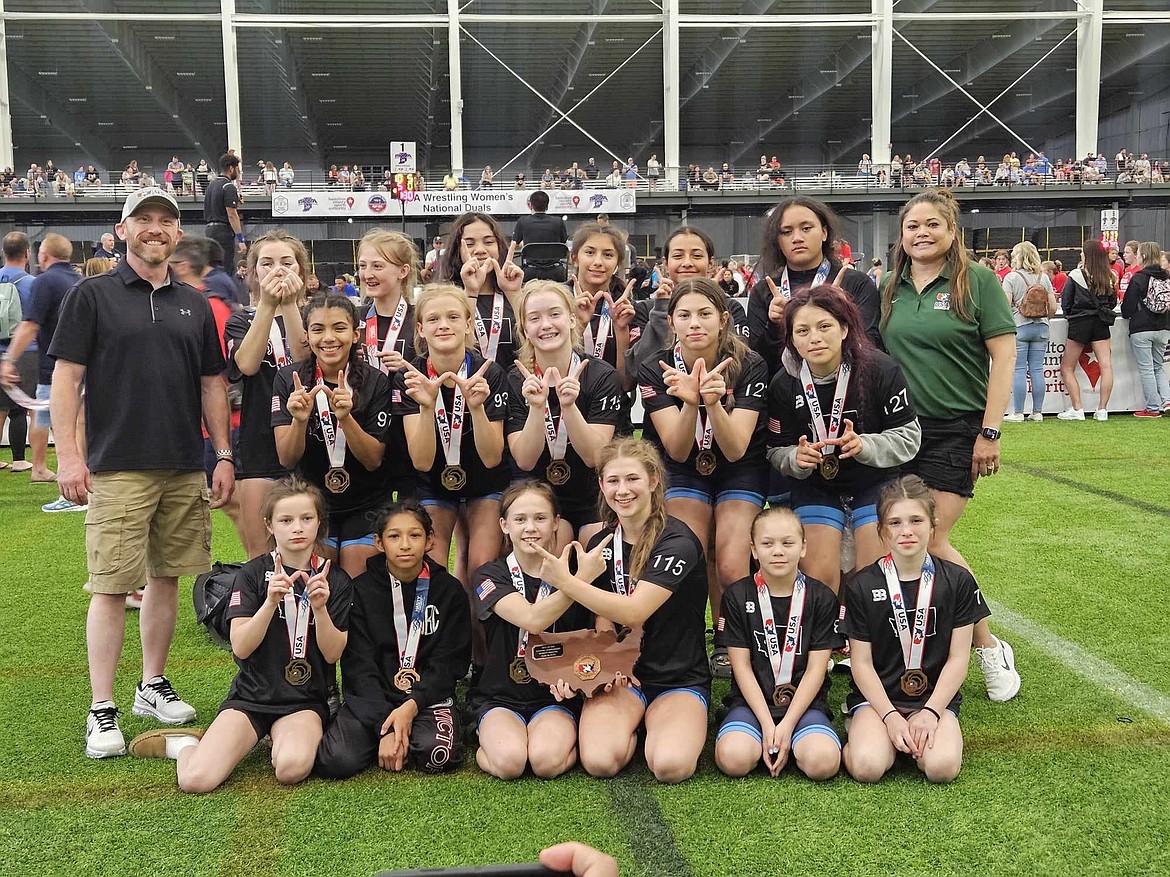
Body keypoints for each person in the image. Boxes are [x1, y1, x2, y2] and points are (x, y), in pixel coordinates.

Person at [49, 187, 234, 758]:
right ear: (122, 229)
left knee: (167, 578)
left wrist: (223, 453)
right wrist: (70, 456)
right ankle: (101, 708)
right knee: (109, 587)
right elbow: (65, 379)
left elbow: (211, 384)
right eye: (144, 219)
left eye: (165, 221)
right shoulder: (91, 295)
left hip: (182, 464)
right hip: (118, 465)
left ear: (177, 234)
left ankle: (151, 686)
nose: (155, 228)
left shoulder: (195, 303)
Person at [879, 188, 1019, 702]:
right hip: (897, 431)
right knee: (895, 543)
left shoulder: (977, 282)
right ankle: (911, 651)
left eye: (932, 224)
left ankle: (987, 647)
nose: (921, 233)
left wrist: (990, 431)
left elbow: (1003, 360)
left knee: (929, 538)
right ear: (902, 234)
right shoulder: (888, 286)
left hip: (958, 428)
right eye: (912, 225)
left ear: (952, 231)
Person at [128, 478, 351, 792]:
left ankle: (278, 738)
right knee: (195, 781)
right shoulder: (251, 575)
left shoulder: (334, 579)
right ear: (269, 526)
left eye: (306, 519)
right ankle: (184, 747)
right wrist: (270, 603)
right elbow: (242, 647)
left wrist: (319, 609)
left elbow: (332, 654)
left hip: (304, 701)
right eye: (286, 520)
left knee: (291, 768)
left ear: (319, 523)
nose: (297, 528)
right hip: (252, 698)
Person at [527, 438, 709, 783]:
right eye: (613, 481)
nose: (622, 490)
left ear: (654, 481)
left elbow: (635, 611)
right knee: (598, 761)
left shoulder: (678, 541)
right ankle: (636, 725)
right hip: (623, 677)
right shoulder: (600, 544)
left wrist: (567, 581)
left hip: (678, 677)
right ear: (601, 486)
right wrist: (608, 666)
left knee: (670, 766)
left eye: (632, 479)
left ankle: (662, 726)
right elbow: (603, 618)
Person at [637, 278, 769, 677]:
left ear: (724, 319)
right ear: (671, 323)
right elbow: (676, 449)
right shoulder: (653, 367)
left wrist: (712, 403)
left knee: (730, 563)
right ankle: (687, 640)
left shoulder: (751, 365)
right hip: (680, 467)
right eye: (684, 315)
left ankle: (733, 643)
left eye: (705, 313)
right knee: (688, 556)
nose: (695, 323)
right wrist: (690, 403)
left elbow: (734, 448)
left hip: (738, 467)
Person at [767, 285, 920, 594]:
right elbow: (774, 449)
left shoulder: (880, 369)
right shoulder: (784, 383)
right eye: (802, 331)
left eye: (824, 326)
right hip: (816, 487)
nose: (815, 338)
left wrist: (866, 446)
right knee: (820, 577)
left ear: (844, 328)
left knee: (872, 576)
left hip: (873, 483)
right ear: (792, 339)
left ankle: (866, 639)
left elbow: (909, 437)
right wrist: (795, 459)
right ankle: (828, 640)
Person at [839, 476, 990, 784]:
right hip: (878, 701)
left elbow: (958, 659)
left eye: (916, 520)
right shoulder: (862, 585)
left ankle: (917, 733)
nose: (906, 531)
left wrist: (932, 712)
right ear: (882, 531)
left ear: (933, 525)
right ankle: (862, 728)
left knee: (942, 768)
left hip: (934, 700)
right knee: (868, 767)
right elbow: (862, 663)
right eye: (894, 522)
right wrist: (891, 717)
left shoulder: (958, 581)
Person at [395, 285, 510, 660]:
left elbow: (493, 458)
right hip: (431, 484)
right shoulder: (409, 377)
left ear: (469, 324)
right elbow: (422, 461)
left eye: (452, 317)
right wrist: (428, 407)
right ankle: (435, 660)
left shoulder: (490, 374)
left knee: (481, 567)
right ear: (420, 330)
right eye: (433, 319)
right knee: (428, 566)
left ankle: (482, 660)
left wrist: (476, 409)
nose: (443, 325)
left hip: (485, 484)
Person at [316, 501, 469, 778]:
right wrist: (383, 726)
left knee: (438, 756)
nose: (405, 545)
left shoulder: (450, 591)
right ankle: (391, 737)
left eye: (415, 535)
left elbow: (449, 663)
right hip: (374, 698)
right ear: (378, 542)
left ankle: (406, 735)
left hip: (425, 699)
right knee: (336, 761)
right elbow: (359, 667)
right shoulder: (360, 591)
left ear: (430, 540)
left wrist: (410, 708)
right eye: (394, 536)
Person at [469, 482, 597, 779]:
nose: (530, 527)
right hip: (500, 696)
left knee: (545, 763)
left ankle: (562, 740)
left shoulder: (575, 572)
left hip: (554, 697)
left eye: (540, 518)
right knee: (510, 763)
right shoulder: (489, 574)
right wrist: (577, 584)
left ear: (556, 523)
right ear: (504, 525)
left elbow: (591, 638)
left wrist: (577, 677)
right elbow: (532, 619)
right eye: (520, 519)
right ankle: (489, 740)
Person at [271, 293, 397, 578]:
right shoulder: (289, 380)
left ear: (355, 335)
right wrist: (299, 421)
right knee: (316, 580)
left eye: (339, 328)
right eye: (318, 329)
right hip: (312, 504)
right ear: (306, 335)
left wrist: (345, 419)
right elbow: (287, 457)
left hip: (367, 502)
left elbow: (373, 459)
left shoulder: (375, 381)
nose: (328, 338)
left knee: (356, 580)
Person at [714, 508, 842, 780]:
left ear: (803, 547)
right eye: (767, 543)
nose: (778, 551)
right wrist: (766, 722)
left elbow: (816, 670)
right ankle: (762, 737)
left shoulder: (821, 597)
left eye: (787, 543)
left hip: (804, 706)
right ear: (754, 550)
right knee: (733, 760)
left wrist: (786, 725)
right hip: (750, 704)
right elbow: (742, 668)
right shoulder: (737, 595)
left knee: (824, 764)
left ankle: (794, 740)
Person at [508, 281, 623, 546]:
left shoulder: (601, 375)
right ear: (524, 329)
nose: (546, 325)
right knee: (553, 548)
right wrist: (537, 408)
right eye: (534, 318)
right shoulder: (516, 380)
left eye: (554, 314)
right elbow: (525, 460)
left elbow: (595, 456)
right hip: (538, 494)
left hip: (591, 492)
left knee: (595, 545)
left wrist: (569, 407)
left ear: (572, 319)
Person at [223, 230, 311, 557]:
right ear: (253, 272)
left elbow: (306, 363)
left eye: (287, 262)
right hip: (258, 439)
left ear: (301, 271)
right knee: (261, 553)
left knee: (309, 549)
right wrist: (267, 305)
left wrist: (288, 305)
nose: (277, 270)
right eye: (267, 263)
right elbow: (246, 364)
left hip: (312, 440)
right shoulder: (240, 320)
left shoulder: (314, 318)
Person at [747, 196, 882, 378]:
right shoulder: (764, 291)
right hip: (784, 398)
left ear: (824, 233)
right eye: (786, 232)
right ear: (777, 240)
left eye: (806, 228)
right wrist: (774, 326)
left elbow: (871, 347)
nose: (797, 238)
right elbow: (757, 363)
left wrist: (844, 314)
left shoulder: (856, 283)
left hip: (849, 393)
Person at [435, 211, 525, 371]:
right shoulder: (442, 300)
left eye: (489, 242)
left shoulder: (516, 293)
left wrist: (514, 294)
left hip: (515, 391)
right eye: (469, 244)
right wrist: (471, 291)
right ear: (457, 250)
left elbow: (534, 345)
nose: (480, 250)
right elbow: (449, 350)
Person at [1056, 239, 1117, 421]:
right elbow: (1112, 303)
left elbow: (1066, 302)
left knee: (1067, 366)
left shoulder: (1075, 274)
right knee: (1105, 365)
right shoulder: (1110, 275)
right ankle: (1102, 409)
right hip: (1101, 323)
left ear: (1087, 254)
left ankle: (1077, 408)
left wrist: (1071, 316)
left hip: (1080, 322)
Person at [570, 222, 637, 379]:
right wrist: (578, 327)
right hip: (563, 396)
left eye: (608, 255)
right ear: (574, 258)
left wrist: (621, 331)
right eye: (590, 252)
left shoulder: (625, 308)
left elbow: (626, 384)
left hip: (612, 399)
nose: (598, 261)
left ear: (617, 263)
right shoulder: (556, 302)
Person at [1002, 242, 1058, 423]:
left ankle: (1018, 412)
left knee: (1019, 370)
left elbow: (1005, 305)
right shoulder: (1044, 278)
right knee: (1037, 369)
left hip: (1020, 326)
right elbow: (1053, 308)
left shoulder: (1012, 277)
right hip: (1041, 327)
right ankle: (1038, 412)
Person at [0, 232, 40, 477]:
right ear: (27, 253)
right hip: (27, 353)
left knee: (1, 409)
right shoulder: (30, 283)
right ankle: (31, 462)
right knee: (33, 407)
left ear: (4, 252)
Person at [357, 229, 419, 375]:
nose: (367, 274)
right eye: (362, 266)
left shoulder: (421, 319)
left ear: (402, 271)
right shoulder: (353, 318)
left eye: (377, 266)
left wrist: (408, 367)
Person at [1120, 240, 1170, 417]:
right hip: (1164, 327)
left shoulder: (1139, 278)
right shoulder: (1166, 276)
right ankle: (1167, 399)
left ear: (1143, 256)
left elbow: (1127, 309)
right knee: (1158, 367)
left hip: (1142, 328)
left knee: (1146, 369)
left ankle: (1152, 407)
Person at [204, 153, 247, 276]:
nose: (238, 173)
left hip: (209, 230)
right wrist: (241, 239)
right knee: (226, 269)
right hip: (223, 232)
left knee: (211, 268)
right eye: (237, 169)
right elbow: (232, 215)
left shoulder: (211, 185)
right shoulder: (228, 186)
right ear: (231, 168)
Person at [512, 191, 569, 282]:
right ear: (547, 205)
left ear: (530, 205)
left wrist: (524, 245)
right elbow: (564, 245)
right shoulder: (558, 222)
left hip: (531, 272)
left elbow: (514, 246)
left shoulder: (522, 221)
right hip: (556, 272)